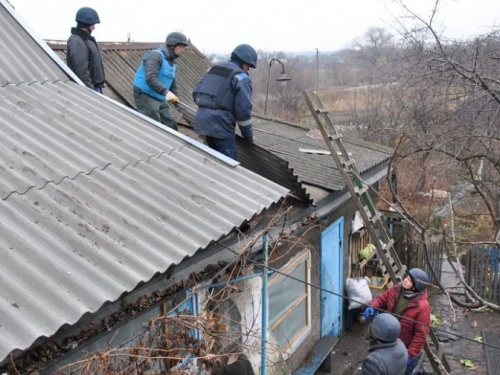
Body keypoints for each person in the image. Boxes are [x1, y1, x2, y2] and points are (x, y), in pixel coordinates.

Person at [192, 44, 257, 160]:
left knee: (211, 159)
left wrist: (209, 107)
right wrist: (248, 136)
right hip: (222, 126)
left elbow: (196, 93)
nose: (248, 70)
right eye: (249, 66)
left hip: (202, 123)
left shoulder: (212, 70)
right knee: (228, 165)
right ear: (244, 62)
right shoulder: (241, 77)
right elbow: (243, 111)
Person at [364, 268, 431, 375]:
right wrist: (372, 306)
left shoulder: (423, 307)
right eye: (406, 278)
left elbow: (420, 335)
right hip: (389, 340)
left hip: (404, 347)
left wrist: (410, 355)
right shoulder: (397, 289)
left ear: (416, 287)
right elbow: (382, 298)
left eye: (409, 280)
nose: (405, 280)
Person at [133, 32, 188, 130]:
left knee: (170, 124)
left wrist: (177, 101)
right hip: (145, 94)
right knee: (154, 125)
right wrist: (166, 92)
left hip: (159, 96)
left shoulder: (173, 64)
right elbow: (151, 78)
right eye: (181, 46)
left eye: (184, 47)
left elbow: (172, 84)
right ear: (172, 45)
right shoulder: (155, 55)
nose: (182, 50)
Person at [67, 7, 105, 93]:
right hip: (89, 89)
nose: (94, 28)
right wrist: (90, 91)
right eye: (93, 25)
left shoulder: (86, 39)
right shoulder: (77, 41)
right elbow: (81, 71)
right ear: (86, 24)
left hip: (95, 87)